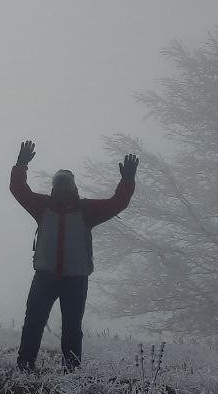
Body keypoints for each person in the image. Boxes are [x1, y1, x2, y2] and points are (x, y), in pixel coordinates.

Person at [12, 140, 137, 371]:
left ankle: (70, 370)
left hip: (74, 280)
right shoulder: (44, 206)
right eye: (59, 185)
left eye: (66, 185)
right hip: (47, 276)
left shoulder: (85, 209)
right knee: (34, 323)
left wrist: (127, 181)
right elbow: (18, 189)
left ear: (74, 188)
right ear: (54, 187)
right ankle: (26, 365)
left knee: (70, 327)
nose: (63, 189)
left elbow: (117, 203)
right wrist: (20, 165)